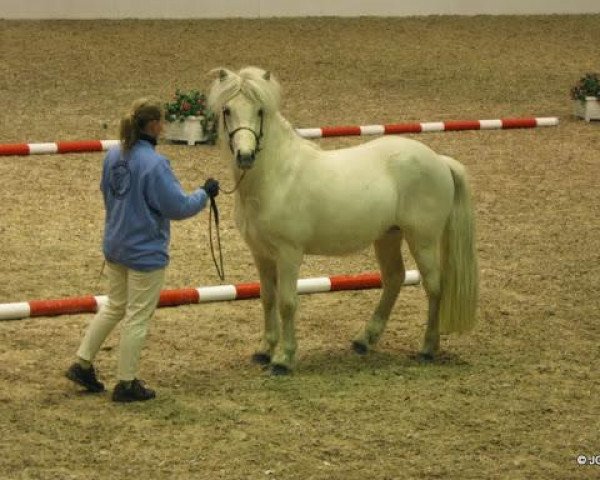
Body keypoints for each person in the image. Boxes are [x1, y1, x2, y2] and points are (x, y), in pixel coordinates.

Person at [66, 97, 219, 402]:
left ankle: (83, 362)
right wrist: (205, 193)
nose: (164, 126)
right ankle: (126, 381)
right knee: (137, 316)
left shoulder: (113, 155)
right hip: (144, 251)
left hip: (116, 244)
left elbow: (107, 193)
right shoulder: (155, 164)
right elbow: (178, 207)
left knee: (114, 306)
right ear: (153, 126)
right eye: (161, 122)